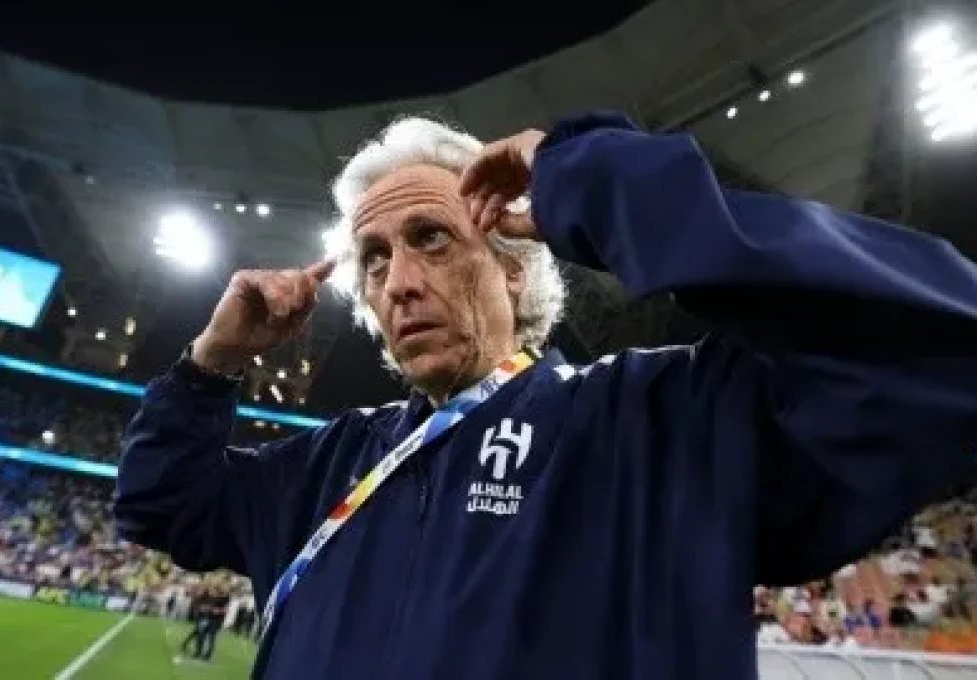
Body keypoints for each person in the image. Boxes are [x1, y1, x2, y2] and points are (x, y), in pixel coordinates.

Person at [115, 111, 977, 679]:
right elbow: (161, 501)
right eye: (374, 260)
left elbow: (939, 350)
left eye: (432, 239)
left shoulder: (658, 422)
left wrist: (595, 181)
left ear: (516, 265)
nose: (400, 281)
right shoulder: (331, 463)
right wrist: (210, 364)